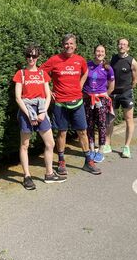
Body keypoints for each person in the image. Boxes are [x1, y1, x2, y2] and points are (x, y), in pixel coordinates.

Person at [41, 34, 101, 176]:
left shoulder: (80, 60)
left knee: (82, 132)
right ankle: (61, 161)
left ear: (75, 45)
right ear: (63, 45)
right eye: (66, 44)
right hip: (60, 103)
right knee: (62, 132)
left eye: (71, 43)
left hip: (77, 102)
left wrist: (79, 87)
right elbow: (41, 73)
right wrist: (48, 90)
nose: (69, 46)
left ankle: (88, 161)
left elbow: (85, 72)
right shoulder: (55, 60)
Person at [13, 45, 66, 190]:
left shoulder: (42, 74)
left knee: (50, 144)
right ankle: (27, 176)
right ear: (26, 57)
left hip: (41, 109)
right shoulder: (21, 74)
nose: (31, 58)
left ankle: (49, 174)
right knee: (25, 145)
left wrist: (43, 113)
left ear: (38, 58)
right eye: (29, 56)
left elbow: (48, 95)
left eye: (34, 56)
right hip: (26, 111)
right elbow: (18, 98)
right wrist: (30, 115)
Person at [106, 38, 137, 158]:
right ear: (117, 46)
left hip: (126, 93)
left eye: (124, 44)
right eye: (120, 44)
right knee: (110, 118)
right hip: (113, 93)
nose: (122, 46)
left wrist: (128, 90)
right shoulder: (112, 59)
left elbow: (135, 80)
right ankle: (107, 144)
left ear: (128, 48)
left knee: (129, 119)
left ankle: (126, 147)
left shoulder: (132, 61)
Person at [82, 45, 115, 163]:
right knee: (89, 125)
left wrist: (106, 94)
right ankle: (91, 149)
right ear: (94, 52)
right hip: (88, 99)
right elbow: (81, 80)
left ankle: (101, 151)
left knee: (101, 124)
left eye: (102, 51)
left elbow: (112, 84)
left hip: (101, 100)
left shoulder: (108, 68)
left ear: (105, 54)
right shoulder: (87, 65)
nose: (99, 53)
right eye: (97, 51)